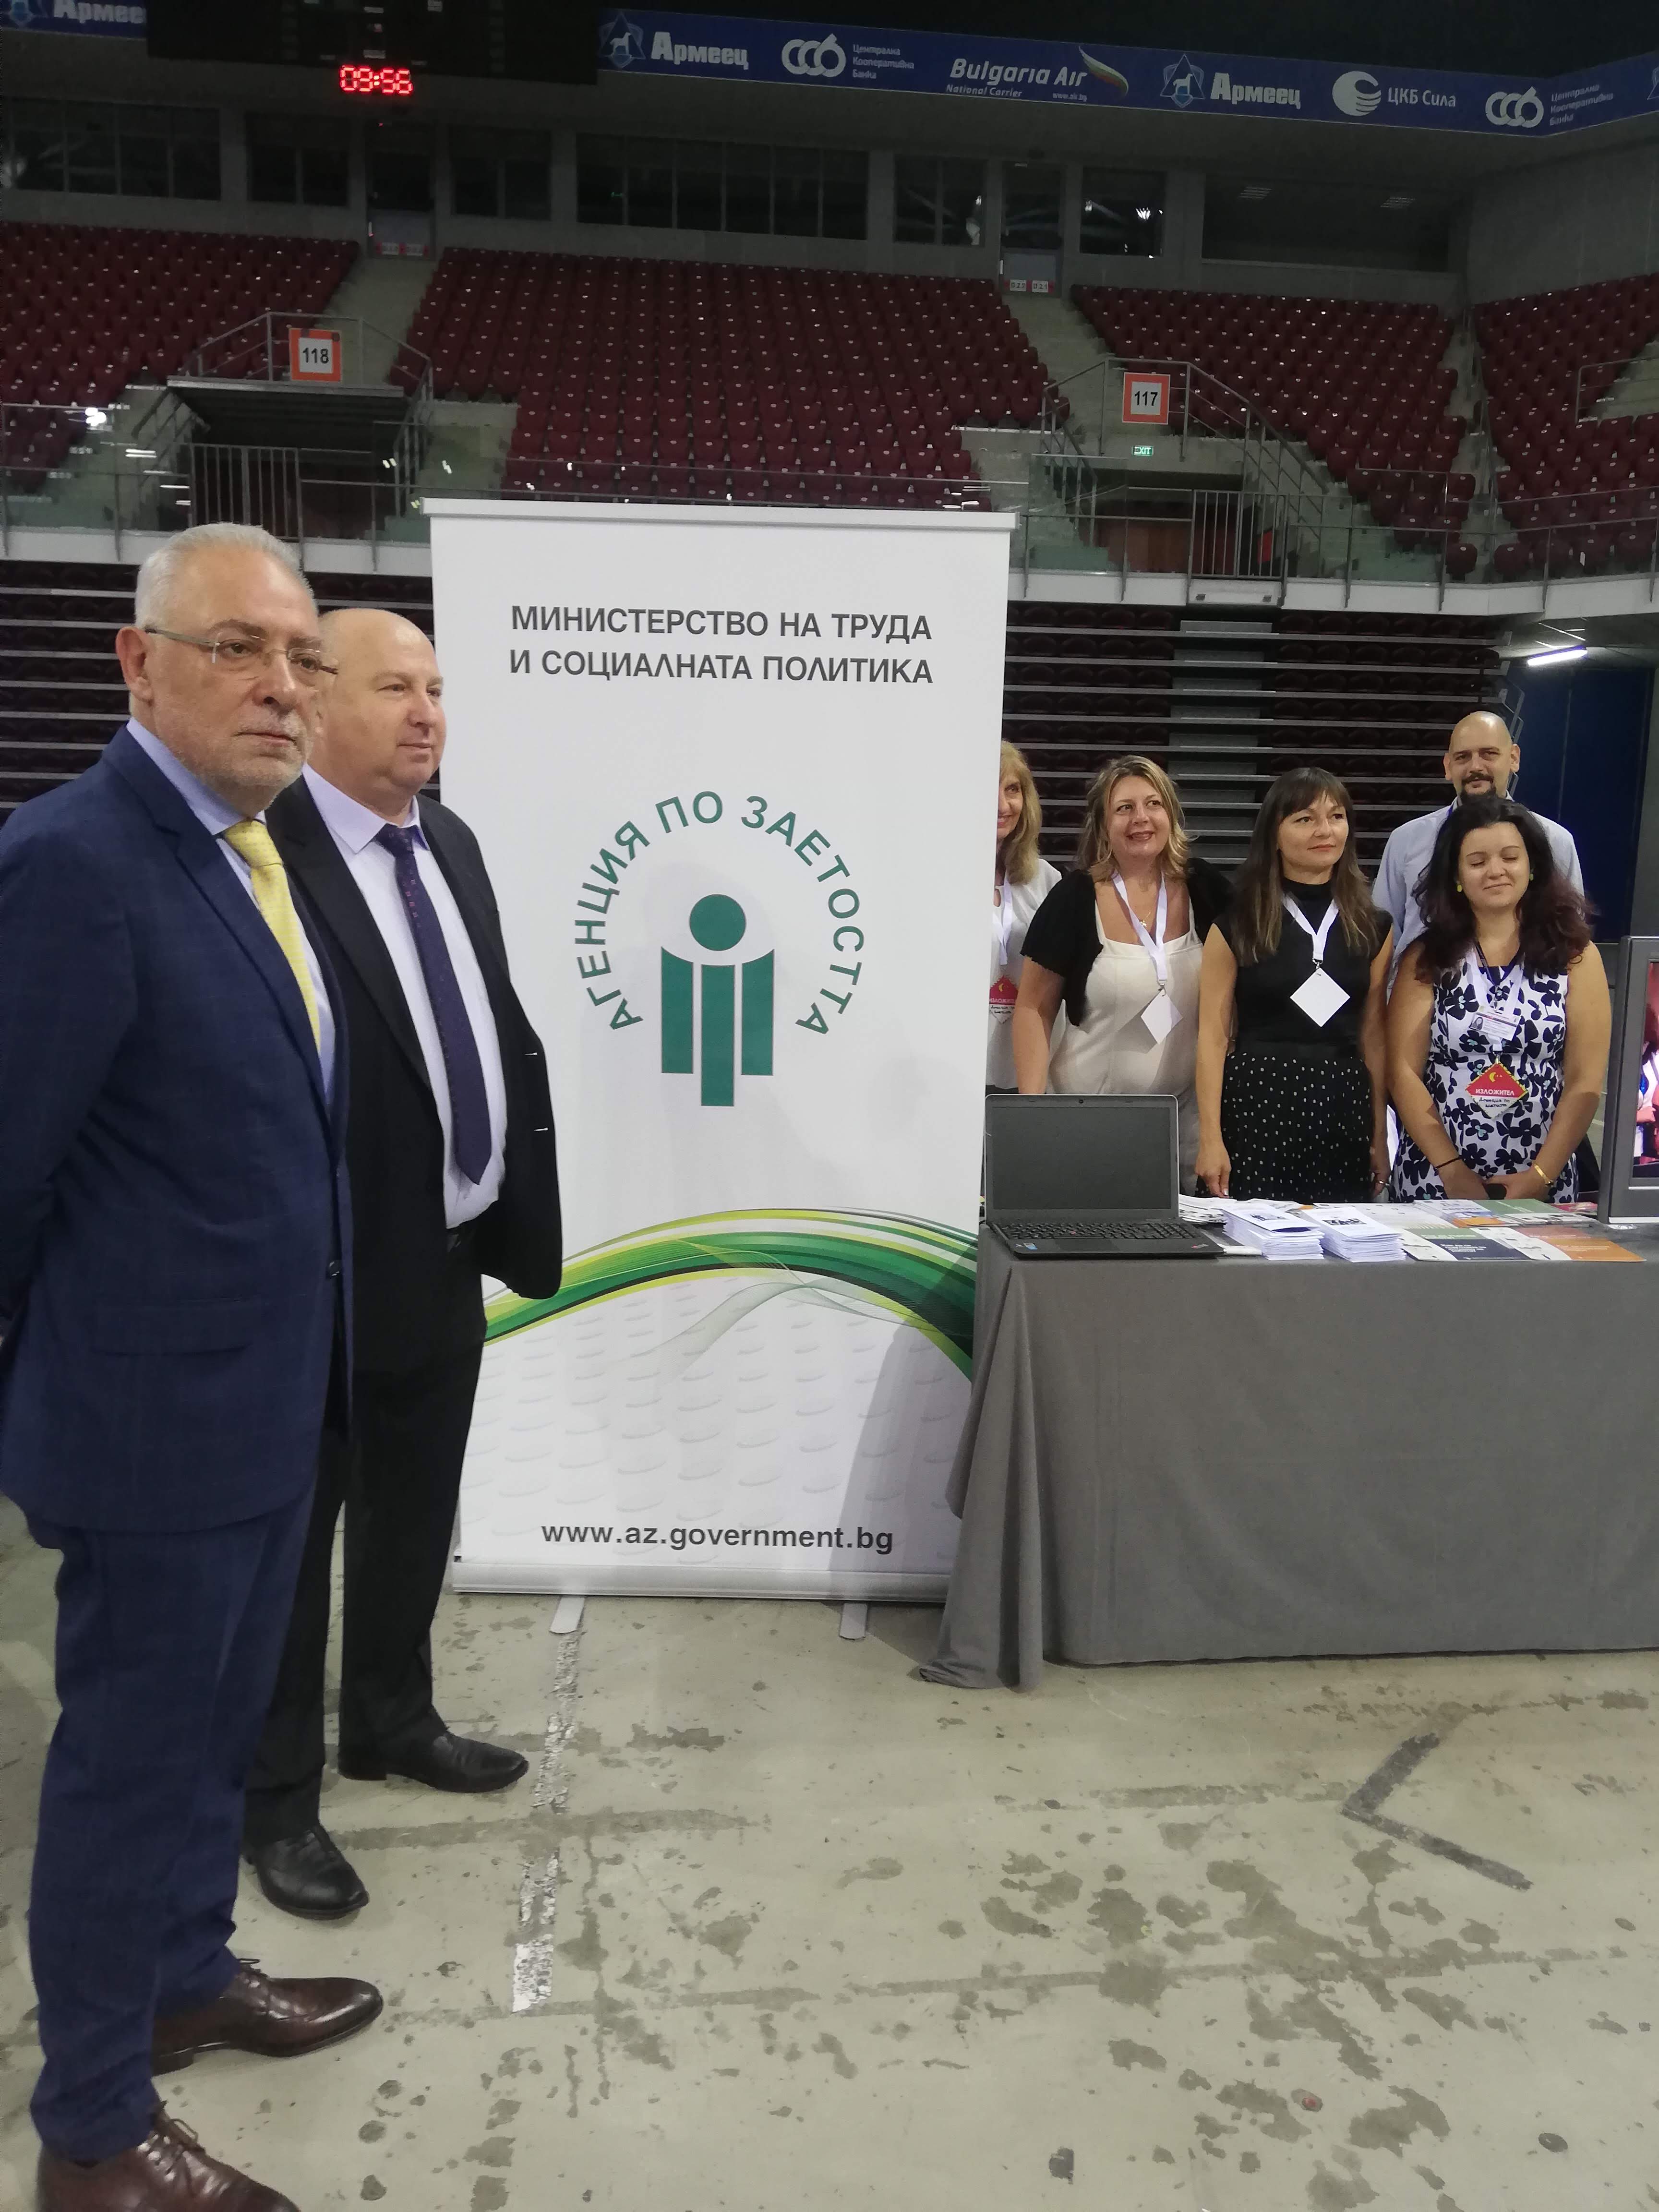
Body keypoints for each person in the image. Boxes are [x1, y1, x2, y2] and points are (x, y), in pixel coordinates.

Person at [0, 524, 380, 2212]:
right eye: (238, 648)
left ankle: (180, 1974)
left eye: (300, 656)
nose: (281, 686)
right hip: (151, 1428)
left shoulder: (247, 851)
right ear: (137, 663)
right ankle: (92, 2129)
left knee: (213, 1736)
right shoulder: (76, 861)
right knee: (127, 1768)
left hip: (263, 1407)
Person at [243, 607, 564, 1921]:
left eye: (436, 687)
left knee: (414, 1507)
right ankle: (275, 1798)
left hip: (443, 1250)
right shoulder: (263, 852)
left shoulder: (452, 842)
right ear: (315, 700)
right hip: (314, 1271)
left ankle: (390, 1718)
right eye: (395, 688)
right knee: (291, 1546)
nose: (428, 712)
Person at [1014, 754, 1231, 1183]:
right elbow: (1033, 1008)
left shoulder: (1206, 888)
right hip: (1087, 1123)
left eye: (1153, 804)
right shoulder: (1074, 898)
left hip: (1182, 1128)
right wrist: (1031, 1116)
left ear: (1171, 814)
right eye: (1124, 808)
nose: (1141, 819)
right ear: (1103, 824)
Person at [1388, 796, 1609, 1202]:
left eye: (1510, 858)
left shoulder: (1576, 956)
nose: (1496, 871)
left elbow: (1585, 1082)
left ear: (1533, 866)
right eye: (1477, 862)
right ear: (1456, 875)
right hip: (1438, 1179)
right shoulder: (1426, 957)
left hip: (1541, 1180)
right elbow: (1403, 1072)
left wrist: (1541, 1175)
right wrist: (1452, 1171)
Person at [1196, 768, 1393, 1202]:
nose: (1325, 830)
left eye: (1336, 817)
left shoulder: (1375, 926)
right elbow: (1212, 1036)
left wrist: (1380, 1132)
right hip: (1256, 1105)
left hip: (1342, 1107)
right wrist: (1210, 1138)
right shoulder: (1236, 923)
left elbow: (1374, 1037)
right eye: (1305, 819)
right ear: (1274, 834)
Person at [1374, 709, 1582, 982]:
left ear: (1514, 758)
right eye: (1463, 757)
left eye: (1489, 754)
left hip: (1528, 997)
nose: (1475, 767)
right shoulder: (1405, 841)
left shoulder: (1556, 842)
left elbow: (1571, 935)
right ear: (1448, 766)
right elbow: (1381, 941)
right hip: (1420, 993)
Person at [987, 740, 1059, 1090]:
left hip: (1028, 1070)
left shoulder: (1047, 880)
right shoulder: (940, 881)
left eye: (1012, 789)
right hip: (955, 1064)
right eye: (989, 789)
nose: (1003, 806)